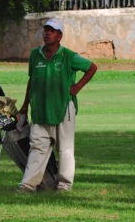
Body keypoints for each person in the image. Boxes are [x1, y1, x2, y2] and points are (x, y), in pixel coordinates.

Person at [17, 18, 97, 192]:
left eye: (52, 31)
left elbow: (92, 67)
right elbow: (32, 81)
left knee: (65, 149)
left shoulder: (68, 56)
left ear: (59, 36)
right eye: (46, 30)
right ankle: (28, 185)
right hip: (40, 109)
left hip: (63, 108)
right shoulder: (35, 55)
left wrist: (77, 87)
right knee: (37, 146)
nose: (47, 33)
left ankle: (64, 186)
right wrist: (25, 106)